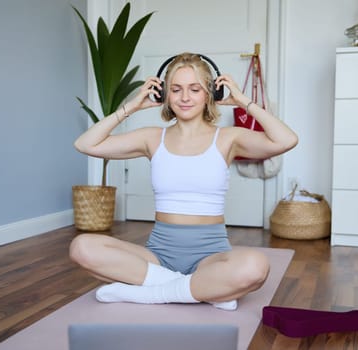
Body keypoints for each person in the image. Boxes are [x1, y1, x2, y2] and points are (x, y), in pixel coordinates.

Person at [70, 53, 298, 311]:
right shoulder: (151, 138)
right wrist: (130, 107)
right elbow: (85, 144)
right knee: (82, 247)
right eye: (176, 89)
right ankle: (199, 289)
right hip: (158, 255)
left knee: (255, 266)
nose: (185, 97)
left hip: (211, 256)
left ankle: (153, 293)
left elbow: (286, 140)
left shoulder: (228, 138)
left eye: (195, 89)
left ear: (211, 93)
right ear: (163, 95)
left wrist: (243, 101)